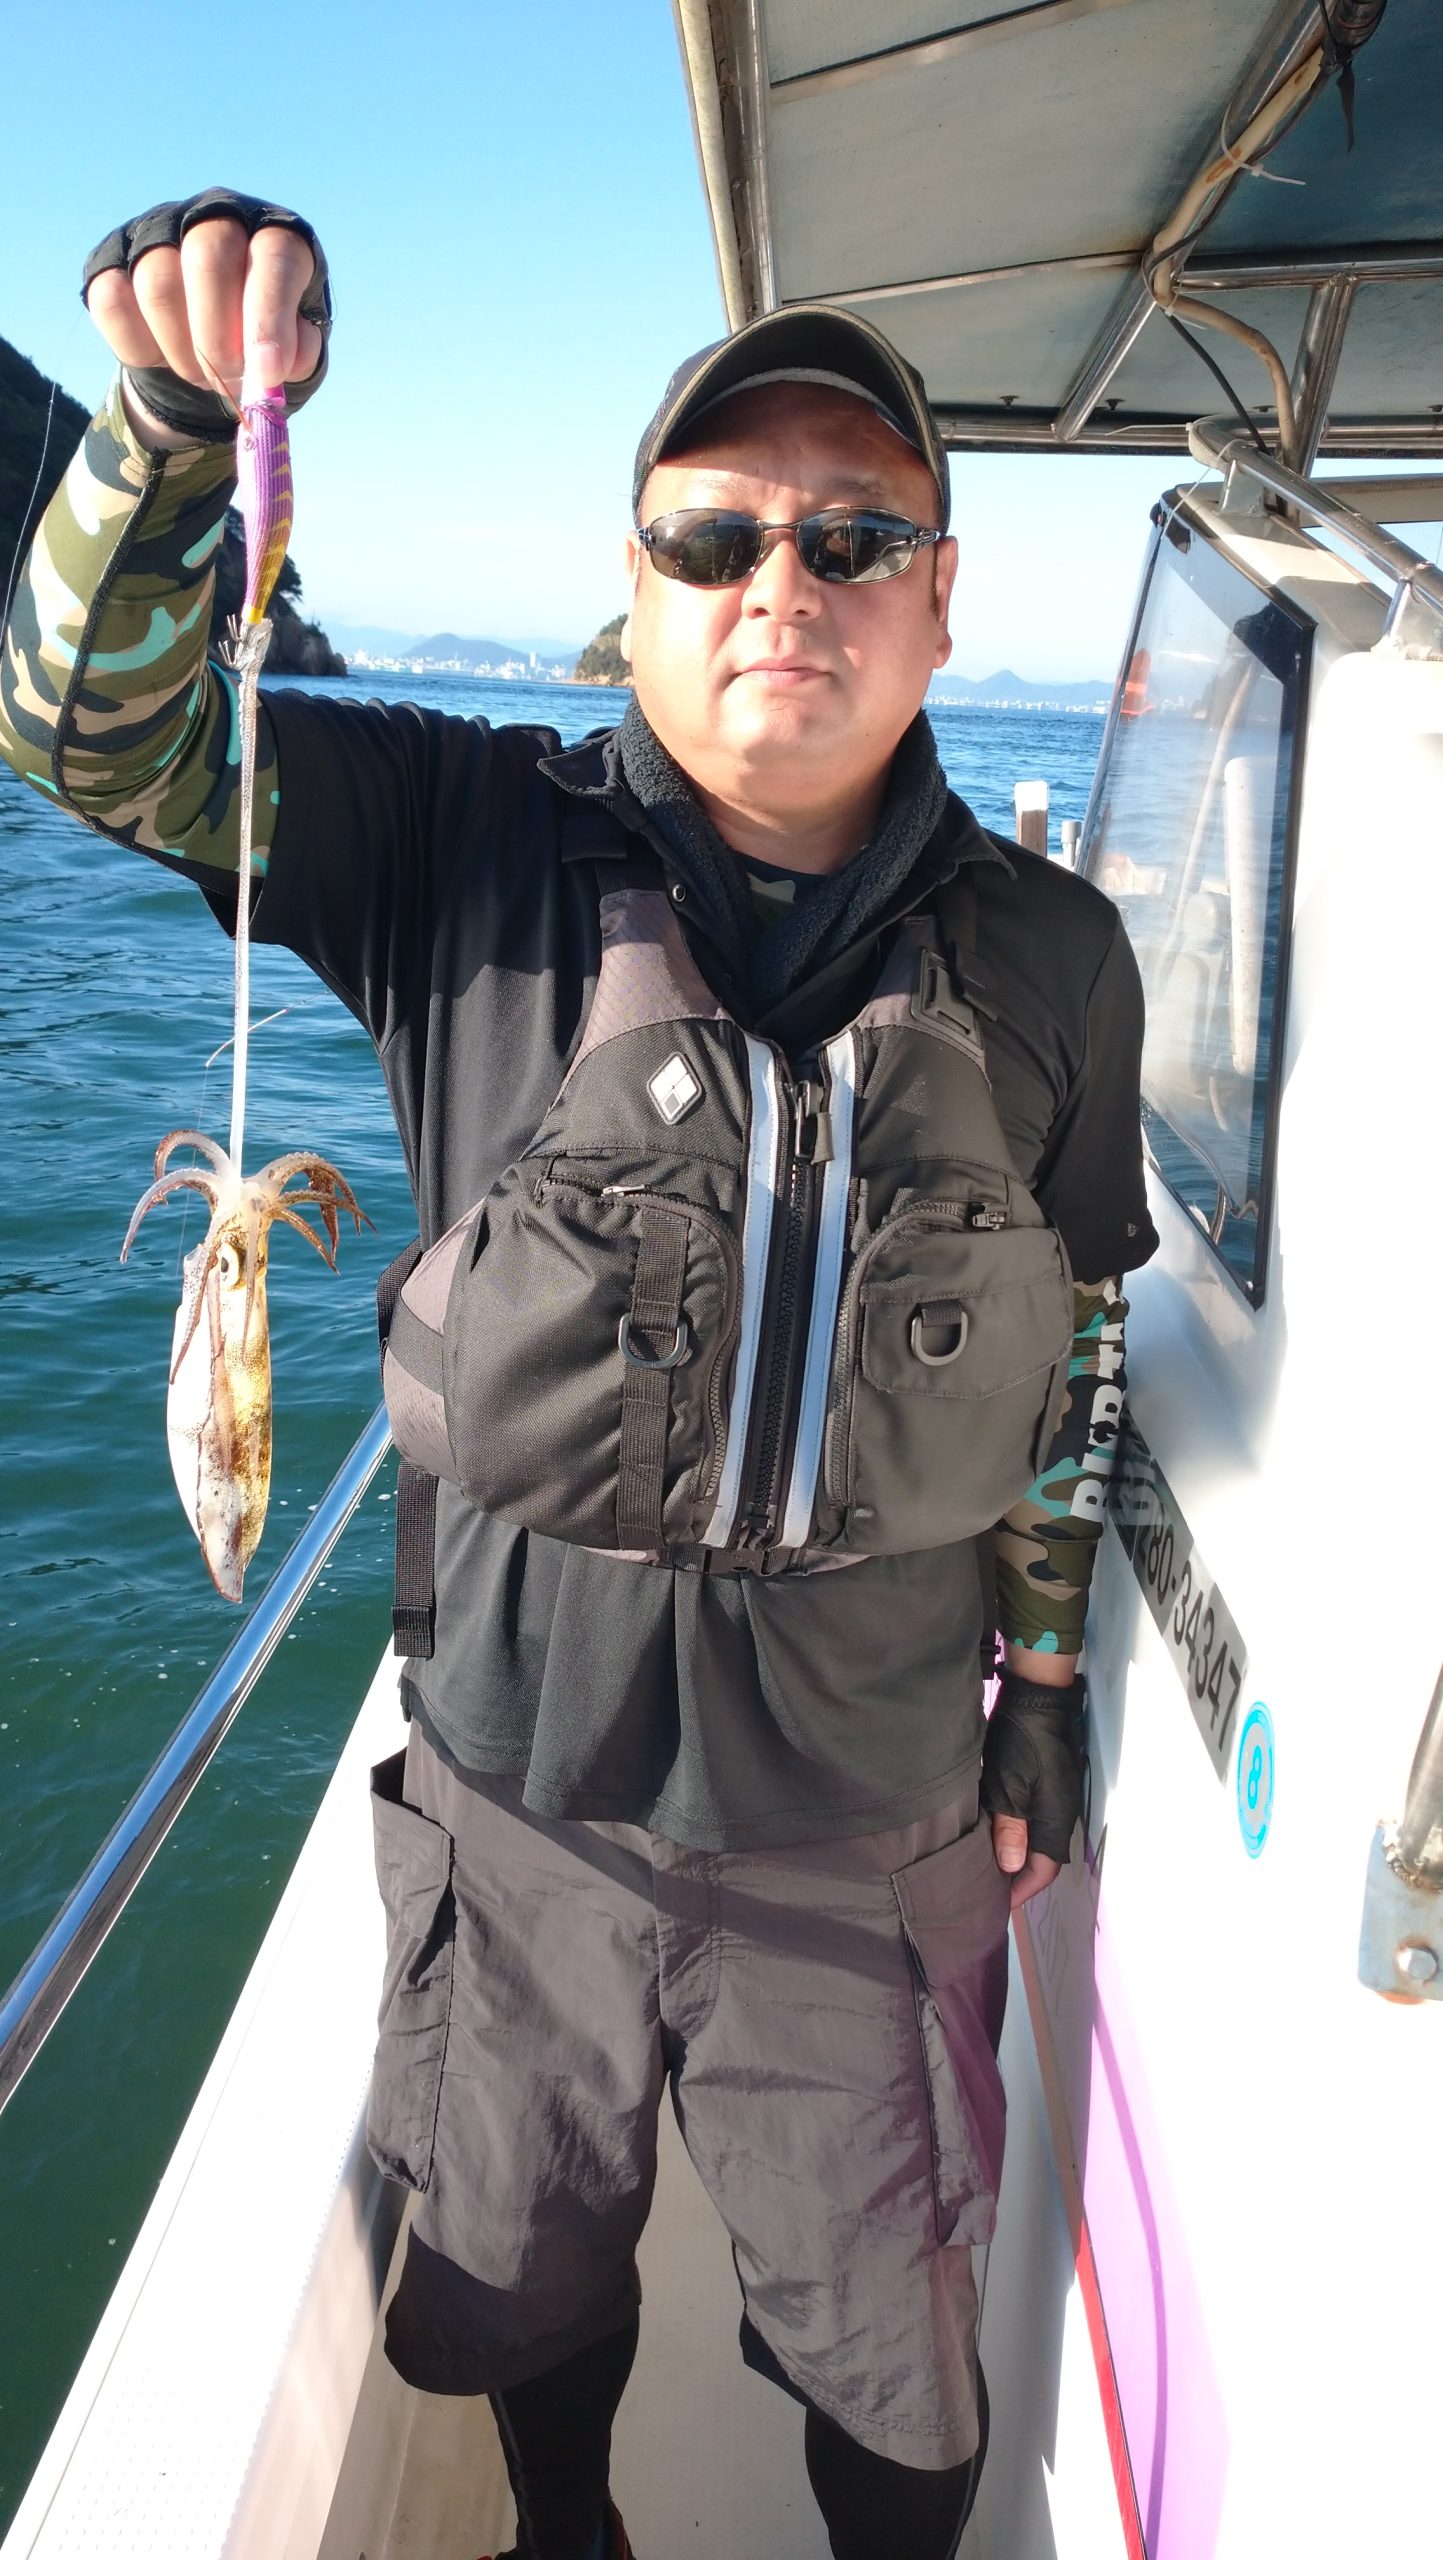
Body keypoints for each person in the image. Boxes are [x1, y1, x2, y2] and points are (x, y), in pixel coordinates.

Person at [0, 190, 1157, 2560]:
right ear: (628, 585)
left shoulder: (1053, 952)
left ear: (940, 600)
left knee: (894, 2346)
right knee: (523, 2282)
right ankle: (564, 2538)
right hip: (515, 1803)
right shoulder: (449, 837)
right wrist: (167, 430)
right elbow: (91, 734)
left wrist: (1038, 1679)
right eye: (713, 534)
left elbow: (1078, 1334)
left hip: (874, 1824)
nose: (781, 583)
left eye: (853, 536)